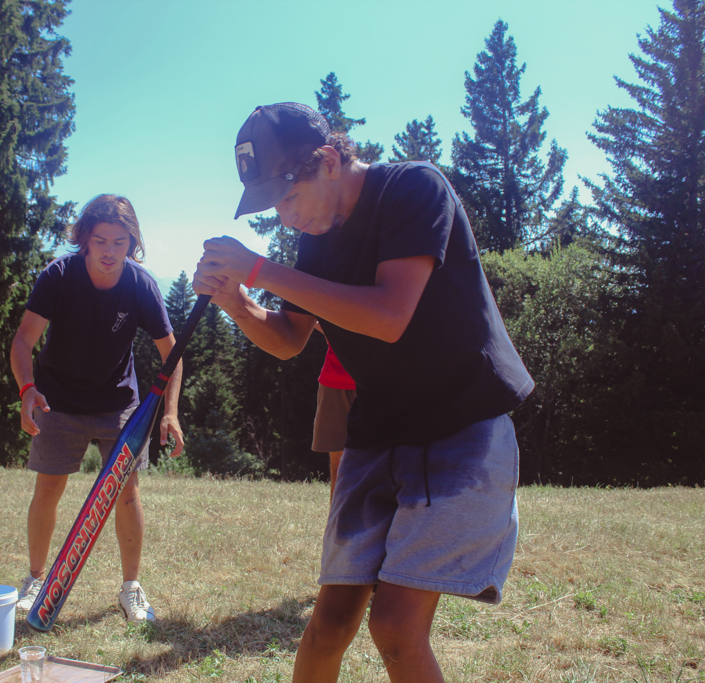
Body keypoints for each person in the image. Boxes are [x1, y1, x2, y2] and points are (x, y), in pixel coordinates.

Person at [193, 103, 533, 682]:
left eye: (286, 198)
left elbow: (389, 314)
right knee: (328, 626)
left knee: (395, 626)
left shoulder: (412, 188)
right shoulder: (315, 240)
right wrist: (237, 302)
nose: (283, 217)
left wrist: (261, 270)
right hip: (379, 434)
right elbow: (288, 340)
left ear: (327, 161)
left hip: (462, 427)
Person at [10, 194, 184, 623]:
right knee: (48, 490)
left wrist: (170, 412)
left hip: (118, 404)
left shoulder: (141, 285)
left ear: (132, 243)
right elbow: (23, 341)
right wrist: (27, 389)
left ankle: (131, 590)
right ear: (84, 240)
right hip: (57, 400)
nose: (109, 252)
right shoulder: (58, 276)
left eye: (120, 243)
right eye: (100, 240)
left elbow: (173, 353)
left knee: (126, 494)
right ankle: (36, 581)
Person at [313, 340, 355, 501]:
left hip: (383, 381)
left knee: (387, 465)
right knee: (339, 469)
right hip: (335, 381)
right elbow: (315, 320)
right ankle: (336, 525)